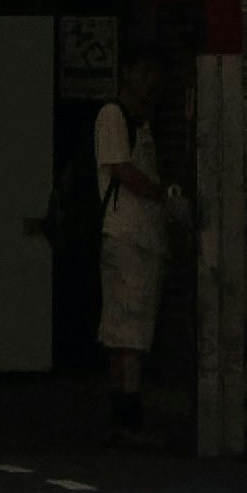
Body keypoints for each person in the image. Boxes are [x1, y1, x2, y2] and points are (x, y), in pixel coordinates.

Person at [95, 126, 184, 442]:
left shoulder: (136, 121)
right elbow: (123, 169)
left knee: (121, 330)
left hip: (130, 240)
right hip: (131, 240)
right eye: (145, 73)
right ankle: (129, 417)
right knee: (130, 332)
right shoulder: (116, 118)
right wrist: (163, 195)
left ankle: (121, 413)